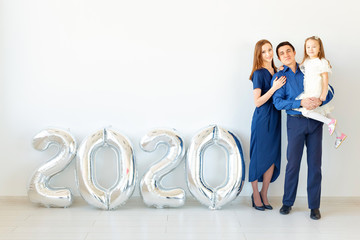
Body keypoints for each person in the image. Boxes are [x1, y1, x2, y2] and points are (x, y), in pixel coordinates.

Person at [272, 41, 334, 220]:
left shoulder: (308, 67)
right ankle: (287, 202)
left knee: (315, 166)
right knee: (293, 164)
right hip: (295, 123)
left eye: (288, 51)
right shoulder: (280, 77)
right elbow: (278, 103)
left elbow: (329, 89)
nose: (286, 55)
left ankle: (314, 206)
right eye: (282, 53)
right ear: (279, 58)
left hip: (315, 123)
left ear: (294, 52)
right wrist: (300, 103)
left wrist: (321, 101)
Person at [248, 39, 286, 211]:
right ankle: (255, 194)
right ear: (259, 54)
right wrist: (274, 87)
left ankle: (265, 193)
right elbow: (257, 102)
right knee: (258, 156)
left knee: (272, 156)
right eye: (264, 51)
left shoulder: (278, 71)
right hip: (262, 118)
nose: (268, 54)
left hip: (276, 117)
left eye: (270, 50)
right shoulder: (258, 73)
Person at [295, 36, 346, 148]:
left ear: (319, 49)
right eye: (308, 47)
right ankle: (339, 135)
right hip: (309, 89)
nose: (311, 49)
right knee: (325, 110)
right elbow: (299, 68)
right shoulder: (306, 61)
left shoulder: (321, 61)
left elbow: (325, 78)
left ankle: (329, 123)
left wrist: (323, 94)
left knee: (305, 111)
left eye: (314, 47)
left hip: (317, 89)